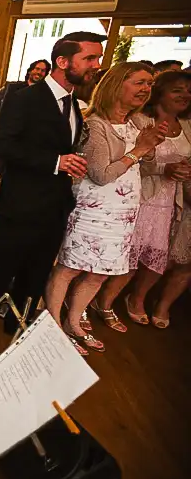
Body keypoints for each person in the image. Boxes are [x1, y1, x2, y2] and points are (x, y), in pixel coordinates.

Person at [0, 33, 105, 367]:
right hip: (21, 205)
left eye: (97, 59)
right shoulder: (26, 98)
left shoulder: (74, 106)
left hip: (54, 208)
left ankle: (18, 325)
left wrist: (69, 165)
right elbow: (0, 144)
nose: (96, 66)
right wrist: (55, 161)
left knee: (36, 275)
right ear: (63, 62)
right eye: (90, 59)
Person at [42, 63, 165, 355]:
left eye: (149, 84)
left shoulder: (137, 123)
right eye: (139, 83)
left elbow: (144, 169)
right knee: (70, 269)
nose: (146, 89)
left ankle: (74, 321)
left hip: (122, 213)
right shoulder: (95, 124)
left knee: (99, 273)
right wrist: (138, 150)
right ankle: (53, 323)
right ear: (116, 85)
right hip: (93, 210)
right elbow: (100, 174)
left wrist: (150, 146)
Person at [91, 70, 191, 329]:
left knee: (153, 257)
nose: (185, 95)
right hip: (139, 195)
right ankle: (99, 302)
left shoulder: (188, 127)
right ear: (162, 92)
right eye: (177, 90)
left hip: (170, 200)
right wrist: (162, 169)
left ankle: (133, 301)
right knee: (125, 256)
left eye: (188, 91)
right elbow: (130, 160)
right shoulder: (137, 120)